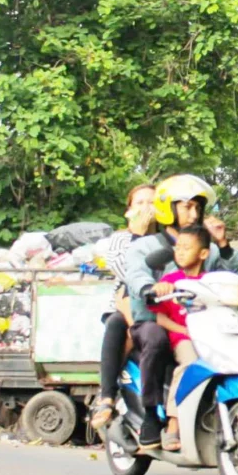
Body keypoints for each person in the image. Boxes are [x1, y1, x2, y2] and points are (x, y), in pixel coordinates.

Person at [123, 174, 238, 449]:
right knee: (154, 338)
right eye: (186, 206)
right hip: (156, 320)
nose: (194, 213)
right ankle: (153, 417)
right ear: (169, 208)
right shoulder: (146, 246)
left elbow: (235, 277)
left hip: (200, 325)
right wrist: (149, 287)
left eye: (197, 207)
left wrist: (223, 245)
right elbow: (135, 272)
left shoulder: (209, 250)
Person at [90, 184, 157, 431]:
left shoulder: (164, 238)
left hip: (160, 306)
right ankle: (107, 395)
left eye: (151, 202)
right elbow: (127, 271)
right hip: (126, 303)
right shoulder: (120, 239)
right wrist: (138, 235)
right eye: (140, 203)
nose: (146, 208)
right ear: (129, 211)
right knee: (117, 323)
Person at [150, 225, 211, 451]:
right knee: (190, 363)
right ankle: (173, 425)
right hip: (182, 338)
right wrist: (184, 331)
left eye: (187, 247)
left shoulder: (211, 281)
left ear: (203, 253)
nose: (181, 252)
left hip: (210, 339)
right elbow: (160, 319)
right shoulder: (171, 280)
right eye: (178, 247)